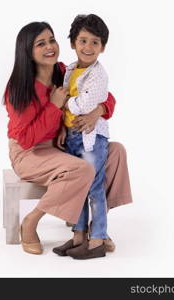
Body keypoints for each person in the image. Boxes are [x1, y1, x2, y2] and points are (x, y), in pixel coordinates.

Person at [4, 21, 132, 256]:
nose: (49, 47)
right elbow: (26, 139)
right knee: (83, 169)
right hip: (30, 152)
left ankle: (97, 229)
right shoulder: (19, 88)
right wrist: (54, 107)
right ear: (27, 51)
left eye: (51, 40)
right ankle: (31, 222)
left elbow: (106, 95)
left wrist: (97, 111)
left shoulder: (64, 72)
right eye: (40, 43)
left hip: (61, 145)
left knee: (116, 152)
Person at [52, 14, 111, 259]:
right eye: (83, 41)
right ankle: (78, 236)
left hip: (91, 137)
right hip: (73, 137)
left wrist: (66, 101)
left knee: (94, 189)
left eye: (95, 42)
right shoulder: (70, 70)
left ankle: (97, 240)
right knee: (77, 188)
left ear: (103, 47)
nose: (88, 47)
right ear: (73, 43)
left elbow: (86, 104)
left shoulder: (98, 74)